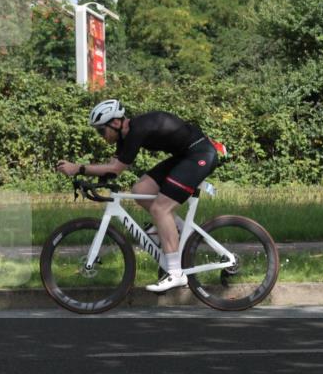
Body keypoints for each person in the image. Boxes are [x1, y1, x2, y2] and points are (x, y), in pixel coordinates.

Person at [55, 99, 224, 292]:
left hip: (199, 154)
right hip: (185, 156)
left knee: (160, 209)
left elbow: (116, 169)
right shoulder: (125, 137)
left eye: (101, 130)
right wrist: (87, 177)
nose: (101, 135)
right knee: (140, 191)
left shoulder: (137, 130)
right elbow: (110, 170)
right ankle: (175, 230)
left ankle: (176, 273)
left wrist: (78, 168)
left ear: (116, 123)